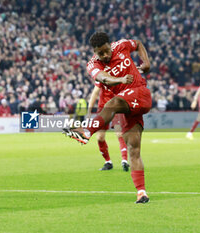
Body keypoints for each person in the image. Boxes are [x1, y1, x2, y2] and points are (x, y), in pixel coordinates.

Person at [63, 32, 152, 204]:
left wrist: (146, 62)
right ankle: (141, 192)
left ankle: (86, 131)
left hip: (140, 93)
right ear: (94, 52)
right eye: (100, 53)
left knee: (111, 103)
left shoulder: (121, 45)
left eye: (106, 51)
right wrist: (120, 79)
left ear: (110, 45)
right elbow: (103, 78)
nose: (104, 55)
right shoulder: (92, 64)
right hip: (127, 106)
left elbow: (139, 43)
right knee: (133, 148)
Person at [87, 83, 129, 171]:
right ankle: (108, 162)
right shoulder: (101, 75)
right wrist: (89, 110)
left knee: (119, 133)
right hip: (103, 108)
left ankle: (124, 160)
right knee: (100, 137)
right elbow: (95, 92)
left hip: (117, 107)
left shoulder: (119, 75)